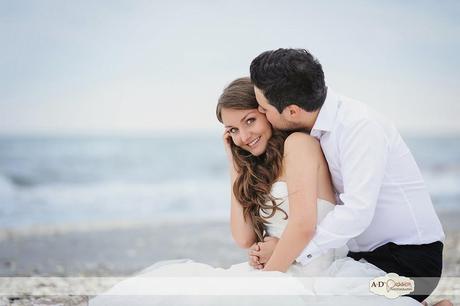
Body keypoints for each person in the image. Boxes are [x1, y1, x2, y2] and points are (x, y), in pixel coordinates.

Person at [89, 77, 419, 306]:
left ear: (267, 113)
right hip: (279, 269)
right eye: (232, 130)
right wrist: (234, 164)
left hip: (315, 270)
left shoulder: (300, 145)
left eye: (249, 121)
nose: (244, 136)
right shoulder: (255, 165)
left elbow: (304, 225)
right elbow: (243, 238)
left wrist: (269, 278)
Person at [248, 48, 448, 305]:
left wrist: (293, 251)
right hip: (357, 256)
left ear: (292, 111)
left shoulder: (359, 126)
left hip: (411, 262)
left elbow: (357, 211)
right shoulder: (309, 129)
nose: (261, 114)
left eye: (264, 108)